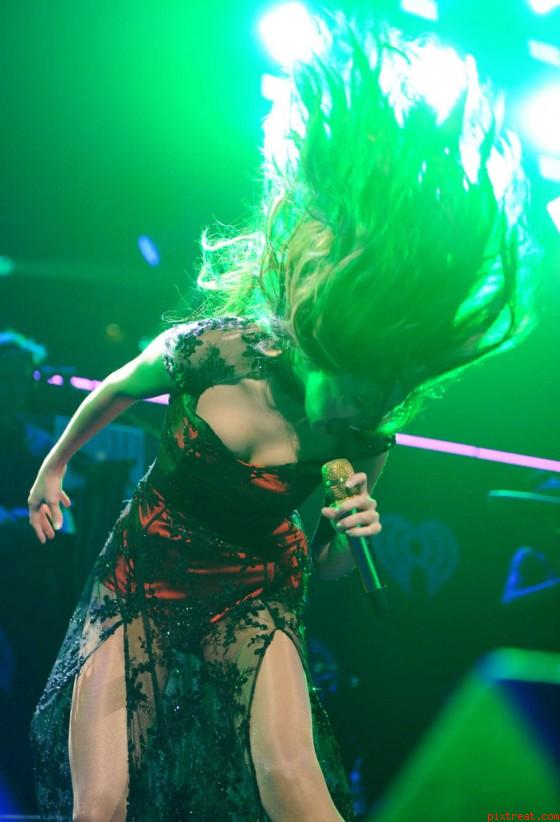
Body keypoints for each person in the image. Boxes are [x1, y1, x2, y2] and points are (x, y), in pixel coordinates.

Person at [26, 9, 540, 822]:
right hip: (144, 564)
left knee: (295, 785)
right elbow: (116, 388)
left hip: (257, 585)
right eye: (366, 386)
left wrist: (346, 529)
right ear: (330, 342)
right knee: (102, 805)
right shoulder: (208, 351)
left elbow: (330, 567)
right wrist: (54, 467)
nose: (374, 405)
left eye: (386, 391)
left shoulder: (365, 432)